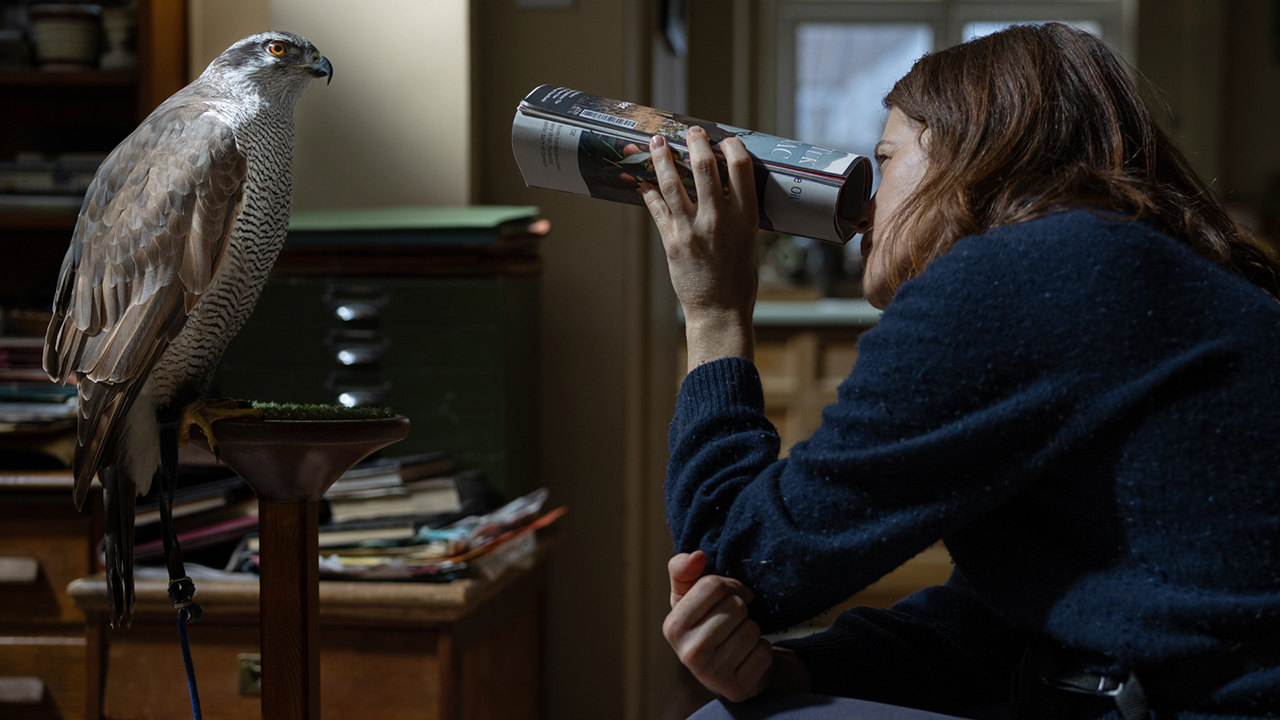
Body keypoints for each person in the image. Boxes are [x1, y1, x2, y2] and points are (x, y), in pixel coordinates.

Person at [638, 22, 1280, 720]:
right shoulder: (1115, 266)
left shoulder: (1023, 273)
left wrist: (712, 311)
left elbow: (731, 559)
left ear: (973, 149)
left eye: (886, 161)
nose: (862, 213)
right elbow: (1003, 624)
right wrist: (789, 670)